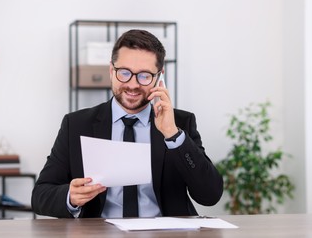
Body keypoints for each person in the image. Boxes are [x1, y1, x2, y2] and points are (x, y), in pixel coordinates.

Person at [31, 29, 223, 218]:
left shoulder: (180, 123)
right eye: (124, 73)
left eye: (145, 75)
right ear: (111, 71)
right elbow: (40, 195)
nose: (132, 84)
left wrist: (172, 134)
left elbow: (210, 195)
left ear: (159, 76)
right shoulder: (76, 124)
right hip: (100, 233)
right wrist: (70, 197)